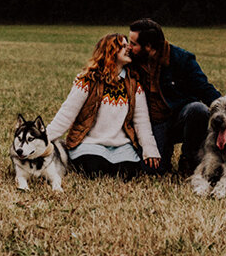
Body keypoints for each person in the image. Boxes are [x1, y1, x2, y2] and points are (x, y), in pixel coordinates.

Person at [46, 32, 160, 179]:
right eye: (123, 46)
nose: (129, 49)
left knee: (128, 173)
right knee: (94, 169)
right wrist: (43, 139)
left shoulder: (133, 84)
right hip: (90, 144)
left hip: (121, 146)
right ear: (110, 51)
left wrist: (150, 150)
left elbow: (142, 122)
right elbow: (66, 115)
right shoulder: (87, 80)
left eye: (128, 45)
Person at [128, 18, 221, 176]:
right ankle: (164, 150)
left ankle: (189, 157)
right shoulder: (131, 60)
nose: (129, 47)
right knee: (152, 171)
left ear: (149, 46)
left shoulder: (182, 59)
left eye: (133, 44)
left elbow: (205, 89)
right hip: (151, 125)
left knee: (198, 110)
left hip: (178, 118)